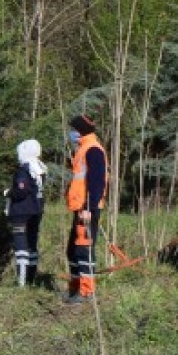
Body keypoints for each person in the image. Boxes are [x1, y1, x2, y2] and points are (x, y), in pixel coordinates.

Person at [65, 115, 107, 303]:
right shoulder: (82, 149)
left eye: (73, 129)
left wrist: (89, 207)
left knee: (84, 249)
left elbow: (96, 183)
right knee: (72, 250)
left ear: (80, 130)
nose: (71, 133)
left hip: (87, 208)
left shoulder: (93, 150)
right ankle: (74, 288)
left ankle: (87, 292)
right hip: (80, 207)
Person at [7, 139, 46, 287]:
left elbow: (21, 190)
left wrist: (9, 193)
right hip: (36, 211)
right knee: (32, 245)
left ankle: (22, 283)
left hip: (22, 213)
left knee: (21, 246)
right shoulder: (40, 169)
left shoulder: (25, 169)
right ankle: (31, 280)